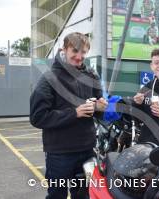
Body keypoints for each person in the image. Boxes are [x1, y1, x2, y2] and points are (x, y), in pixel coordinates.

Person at [30, 32, 108, 199]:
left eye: (84, 52)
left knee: (84, 195)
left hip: (87, 149)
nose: (79, 57)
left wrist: (100, 107)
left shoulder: (91, 75)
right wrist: (74, 113)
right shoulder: (49, 79)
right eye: (75, 51)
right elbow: (38, 117)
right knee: (56, 195)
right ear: (64, 50)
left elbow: (98, 108)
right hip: (60, 153)